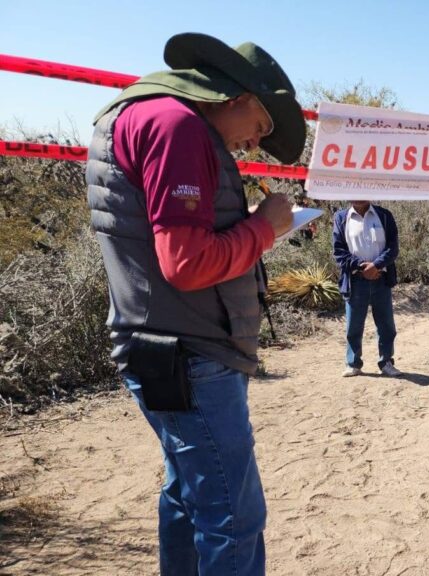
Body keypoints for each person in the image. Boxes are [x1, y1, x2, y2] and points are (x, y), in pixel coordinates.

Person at [85, 32, 307, 575]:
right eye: (260, 128)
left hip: (163, 347)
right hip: (190, 354)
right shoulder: (176, 126)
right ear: (240, 97)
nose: (253, 144)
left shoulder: (148, 118)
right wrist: (264, 228)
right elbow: (185, 264)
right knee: (234, 515)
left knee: (188, 498)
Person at [333, 201, 401, 377]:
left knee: (386, 325)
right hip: (355, 281)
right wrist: (362, 267)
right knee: (353, 326)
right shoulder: (341, 218)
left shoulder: (384, 215)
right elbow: (339, 252)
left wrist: (376, 266)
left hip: (381, 280)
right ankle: (353, 363)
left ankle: (386, 362)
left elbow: (393, 248)